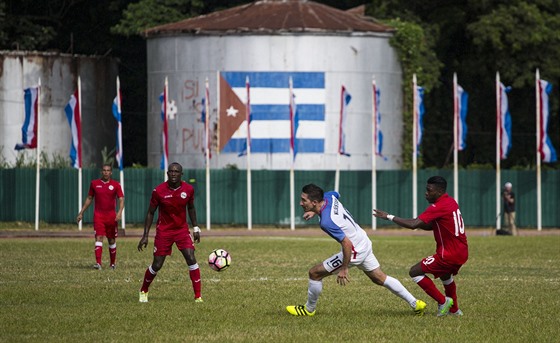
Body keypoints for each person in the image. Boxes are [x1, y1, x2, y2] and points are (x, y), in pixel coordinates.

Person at [286, 184, 427, 317]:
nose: (301, 203)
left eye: (304, 200)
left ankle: (309, 309)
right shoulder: (329, 197)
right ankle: (416, 304)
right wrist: (314, 211)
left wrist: (344, 268)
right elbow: (337, 193)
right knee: (379, 277)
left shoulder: (327, 222)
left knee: (314, 273)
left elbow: (346, 244)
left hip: (354, 250)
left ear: (315, 201)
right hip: (363, 240)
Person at [373, 176, 468, 317]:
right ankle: (454, 311)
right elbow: (432, 225)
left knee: (415, 272)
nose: (426, 193)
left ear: (439, 191)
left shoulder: (438, 206)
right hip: (462, 252)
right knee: (445, 276)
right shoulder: (450, 201)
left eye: (429, 190)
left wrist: (389, 217)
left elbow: (413, 224)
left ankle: (443, 302)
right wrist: (419, 223)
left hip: (448, 254)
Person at [137, 162, 202, 303]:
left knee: (191, 257)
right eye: (171, 171)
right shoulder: (158, 191)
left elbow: (191, 208)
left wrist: (196, 228)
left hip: (181, 230)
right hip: (164, 231)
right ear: (167, 174)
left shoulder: (188, 189)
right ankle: (143, 290)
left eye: (176, 171)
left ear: (181, 174)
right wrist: (145, 235)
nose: (173, 173)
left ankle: (198, 297)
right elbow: (150, 213)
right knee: (157, 265)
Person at [76, 164, 124, 270]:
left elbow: (121, 199)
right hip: (98, 216)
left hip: (111, 217)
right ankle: (98, 263)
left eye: (108, 170)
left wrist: (120, 212)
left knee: (111, 240)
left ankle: (112, 264)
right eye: (104, 170)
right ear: (101, 172)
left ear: (111, 172)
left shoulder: (116, 185)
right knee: (98, 237)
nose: (106, 172)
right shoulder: (94, 184)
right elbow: (89, 198)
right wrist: (81, 212)